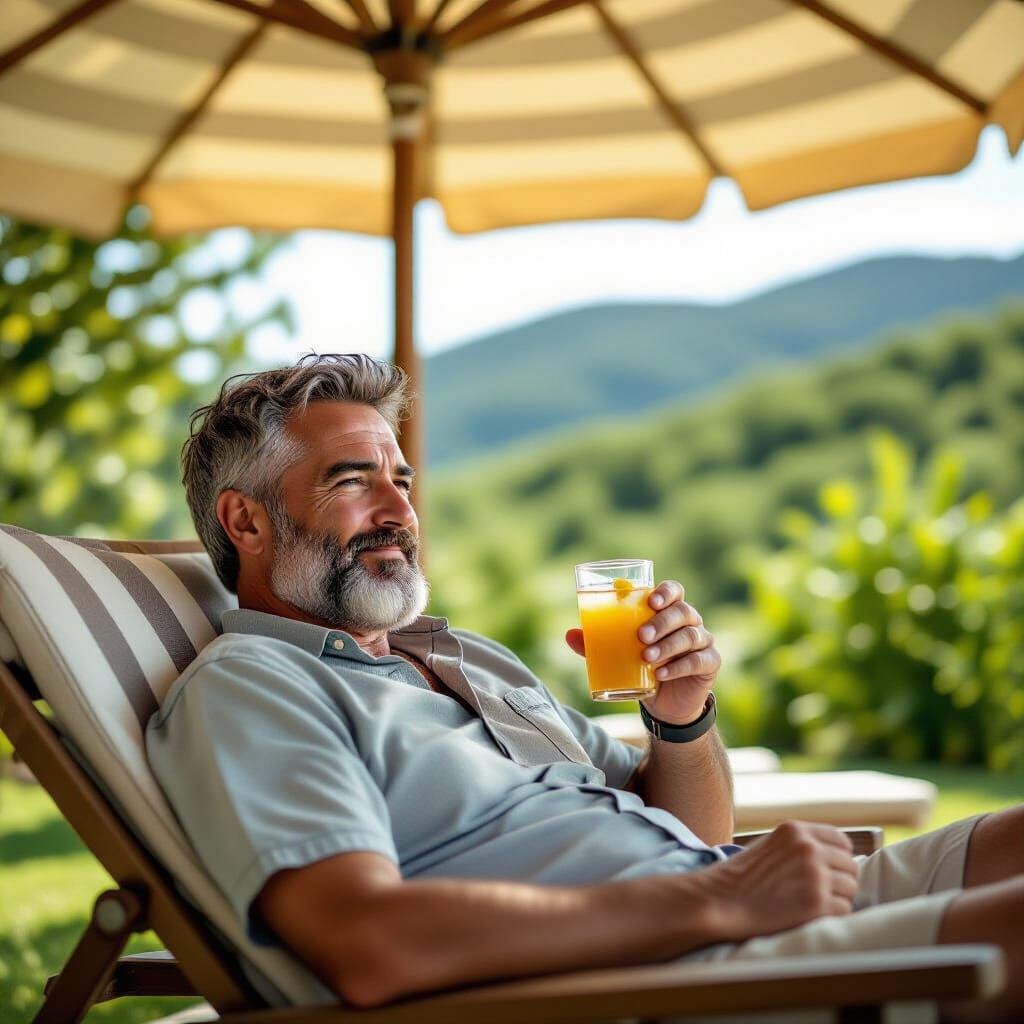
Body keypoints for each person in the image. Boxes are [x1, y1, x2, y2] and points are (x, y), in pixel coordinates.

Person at [147, 354, 1023, 1021]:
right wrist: (723, 899)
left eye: (402, 481)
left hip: (733, 912)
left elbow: (689, 831)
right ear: (246, 520)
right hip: (661, 980)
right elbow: (366, 943)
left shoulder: (464, 656)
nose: (400, 511)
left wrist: (679, 721)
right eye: (352, 480)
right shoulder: (254, 687)